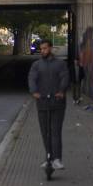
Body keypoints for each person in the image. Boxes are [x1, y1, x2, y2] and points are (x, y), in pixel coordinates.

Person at [28, 38, 69, 169]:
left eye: (45, 48)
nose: (43, 51)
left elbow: (65, 77)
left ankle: (57, 159)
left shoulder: (60, 64)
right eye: (41, 49)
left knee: (55, 131)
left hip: (57, 103)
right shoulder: (36, 65)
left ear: (50, 48)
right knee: (45, 132)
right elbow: (32, 78)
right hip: (42, 102)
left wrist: (61, 91)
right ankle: (48, 158)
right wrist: (34, 91)